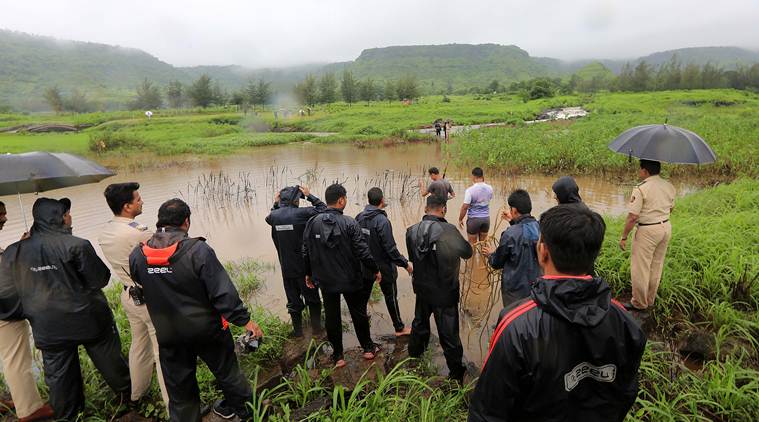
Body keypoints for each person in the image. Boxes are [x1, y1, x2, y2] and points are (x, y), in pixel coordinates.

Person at [469, 205, 647, 422]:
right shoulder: (626, 320)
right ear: (595, 254)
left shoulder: (515, 324)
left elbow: (488, 411)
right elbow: (626, 391)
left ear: (543, 252)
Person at [129, 199, 263, 421]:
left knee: (180, 390)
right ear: (186, 222)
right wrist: (246, 321)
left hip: (168, 332)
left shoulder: (138, 255)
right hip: (206, 330)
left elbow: (141, 282)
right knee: (228, 374)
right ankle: (251, 414)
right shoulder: (198, 251)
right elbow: (223, 294)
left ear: (159, 221)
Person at [0, 198, 130, 420]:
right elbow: (99, 279)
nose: (70, 217)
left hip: (48, 327)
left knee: (59, 377)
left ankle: (68, 415)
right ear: (59, 218)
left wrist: (31, 309)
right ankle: (128, 398)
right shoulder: (77, 245)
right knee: (110, 361)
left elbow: (6, 291)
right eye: (67, 214)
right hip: (90, 320)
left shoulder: (13, 252)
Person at [98, 183, 170, 407]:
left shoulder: (106, 231)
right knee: (163, 351)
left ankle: (136, 395)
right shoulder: (138, 232)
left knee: (139, 345)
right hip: (150, 300)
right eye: (138, 199)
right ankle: (173, 405)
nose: (142, 201)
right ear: (127, 206)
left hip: (129, 294)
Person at [303, 184, 381, 368]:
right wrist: (375, 269)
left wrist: (309, 274)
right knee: (358, 313)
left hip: (326, 279)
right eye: (345, 198)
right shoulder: (349, 222)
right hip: (351, 278)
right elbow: (363, 251)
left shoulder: (312, 222)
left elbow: (306, 251)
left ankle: (338, 356)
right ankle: (368, 349)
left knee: (332, 316)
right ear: (341, 200)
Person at [406, 195, 473, 383]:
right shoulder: (449, 231)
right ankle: (456, 373)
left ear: (426, 208)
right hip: (445, 291)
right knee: (449, 333)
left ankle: (414, 360)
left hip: (421, 288)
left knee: (419, 322)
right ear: (443, 209)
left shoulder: (411, 231)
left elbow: (414, 258)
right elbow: (467, 253)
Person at [0, 201, 54, 422]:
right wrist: (20, 251)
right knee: (16, 359)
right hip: (4, 312)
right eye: (0, 214)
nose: (5, 218)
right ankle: (29, 409)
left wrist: (17, 248)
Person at [265, 185, 326, 337]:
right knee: (312, 299)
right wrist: (310, 195)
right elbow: (324, 209)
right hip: (305, 268)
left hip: (287, 268)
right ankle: (317, 329)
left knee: (293, 301)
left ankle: (298, 332)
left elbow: (269, 216)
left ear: (281, 199)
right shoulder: (302, 213)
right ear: (296, 200)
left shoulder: (274, 216)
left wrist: (275, 203)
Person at [356, 187, 413, 337]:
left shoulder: (359, 217)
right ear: (382, 201)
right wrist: (405, 264)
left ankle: (362, 327)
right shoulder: (382, 221)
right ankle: (399, 328)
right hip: (383, 266)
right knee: (391, 297)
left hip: (366, 265)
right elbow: (390, 249)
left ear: (368, 201)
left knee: (362, 298)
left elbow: (356, 242)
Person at [619, 159, 675, 311]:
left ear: (645, 171)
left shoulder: (641, 188)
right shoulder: (669, 186)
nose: (639, 172)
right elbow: (670, 209)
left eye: (640, 169)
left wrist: (624, 236)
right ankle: (649, 300)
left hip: (648, 230)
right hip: (665, 227)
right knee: (656, 265)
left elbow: (632, 217)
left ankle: (639, 302)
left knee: (640, 267)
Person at [482, 189, 541, 307]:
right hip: (537, 288)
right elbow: (526, 236)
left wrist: (490, 254)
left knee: (513, 319)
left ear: (513, 210)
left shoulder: (509, 234)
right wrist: (513, 221)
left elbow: (497, 263)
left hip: (514, 290)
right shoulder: (541, 227)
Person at [458, 167, 494, 244]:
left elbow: (465, 207)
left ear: (474, 177)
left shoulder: (470, 190)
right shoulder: (490, 188)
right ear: (482, 176)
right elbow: (489, 199)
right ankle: (483, 256)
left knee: (472, 245)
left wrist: (460, 219)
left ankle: (474, 256)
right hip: (486, 219)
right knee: (483, 244)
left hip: (474, 220)